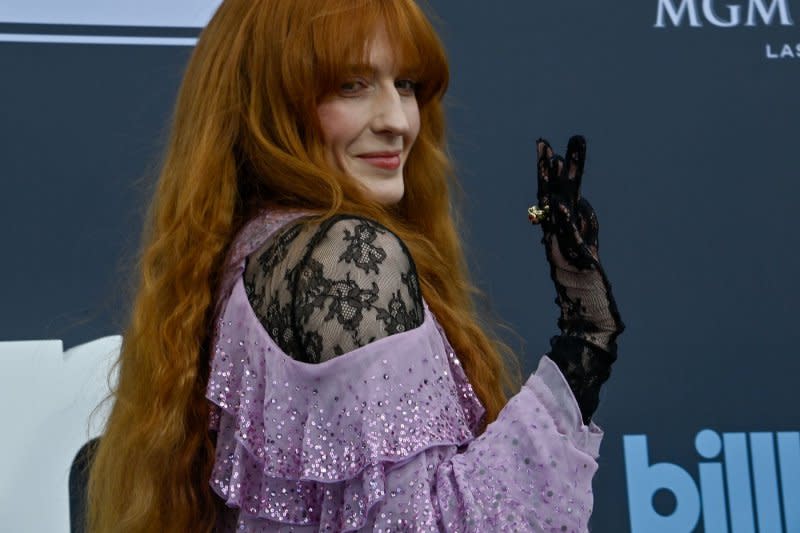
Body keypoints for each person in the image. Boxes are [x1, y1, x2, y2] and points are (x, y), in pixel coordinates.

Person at [87, 0, 623, 531]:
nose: (397, 121)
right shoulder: (346, 257)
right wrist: (584, 340)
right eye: (352, 85)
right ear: (272, 102)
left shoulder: (251, 255)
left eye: (406, 84)